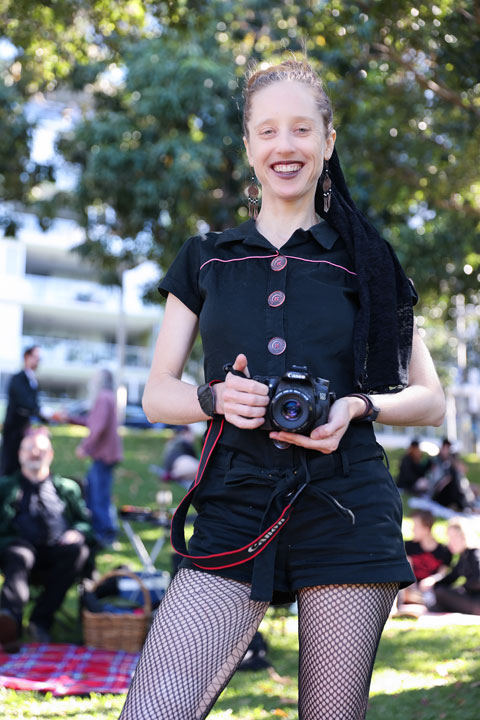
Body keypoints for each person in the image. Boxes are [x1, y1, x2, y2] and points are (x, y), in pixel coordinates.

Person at [118, 59, 445, 720]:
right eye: (267, 131)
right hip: (232, 505)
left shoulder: (368, 259)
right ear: (248, 145)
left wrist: (358, 403)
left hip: (347, 510)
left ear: (328, 141)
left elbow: (430, 398)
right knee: (152, 712)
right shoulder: (205, 257)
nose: (284, 146)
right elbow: (157, 394)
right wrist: (214, 399)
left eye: (301, 129)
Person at [0, 428, 93, 652]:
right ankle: (9, 625)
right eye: (30, 448)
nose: (35, 453)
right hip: (19, 547)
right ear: (20, 454)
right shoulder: (5, 487)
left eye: (41, 449)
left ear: (50, 455)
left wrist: (79, 532)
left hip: (57, 551)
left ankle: (40, 621)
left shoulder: (67, 488)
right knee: (20, 555)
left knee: (78, 551)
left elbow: (86, 523)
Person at [67, 368, 123, 547]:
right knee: (97, 493)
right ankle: (103, 530)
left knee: (99, 496)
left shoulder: (103, 397)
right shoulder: (108, 397)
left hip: (103, 455)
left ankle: (104, 533)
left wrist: (84, 447)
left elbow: (98, 428)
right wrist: (71, 418)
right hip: (106, 455)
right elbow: (94, 421)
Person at [0, 345, 49, 476]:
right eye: (36, 357)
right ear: (27, 357)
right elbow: (25, 401)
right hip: (14, 429)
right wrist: (42, 411)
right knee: (10, 462)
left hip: (24, 428)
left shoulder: (32, 379)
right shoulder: (18, 378)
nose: (38, 361)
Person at [399, 510, 452, 608]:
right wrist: (412, 587)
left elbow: (442, 574)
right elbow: (408, 571)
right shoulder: (409, 546)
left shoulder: (444, 551)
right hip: (411, 588)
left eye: (416, 526)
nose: (413, 530)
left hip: (430, 590)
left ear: (426, 529)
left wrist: (432, 580)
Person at [433, 517, 480, 615]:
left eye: (454, 538)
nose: (450, 542)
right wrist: (434, 583)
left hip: (477, 602)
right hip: (473, 600)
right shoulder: (464, 555)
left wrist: (463, 587)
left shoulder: (475, 554)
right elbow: (452, 577)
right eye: (449, 538)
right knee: (440, 591)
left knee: (441, 593)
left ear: (464, 536)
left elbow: (477, 580)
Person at [429, 438, 476, 511]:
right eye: (445, 448)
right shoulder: (436, 460)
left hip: (455, 487)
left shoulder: (452, 458)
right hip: (440, 491)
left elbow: (463, 470)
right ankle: (465, 505)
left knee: (471, 488)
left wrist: (451, 460)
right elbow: (436, 480)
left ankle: (466, 505)